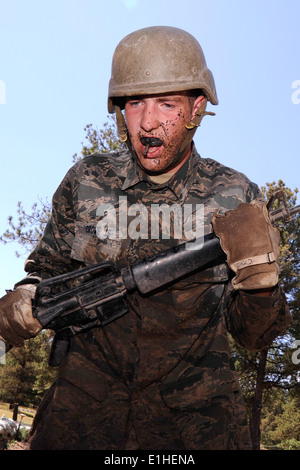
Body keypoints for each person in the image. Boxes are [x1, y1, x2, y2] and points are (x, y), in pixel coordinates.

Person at [0, 26, 291, 450]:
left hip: (196, 424)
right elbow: (46, 269)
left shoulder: (236, 198)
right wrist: (23, 298)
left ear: (196, 108)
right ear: (120, 111)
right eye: (135, 103)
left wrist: (260, 283)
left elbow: (254, 338)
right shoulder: (86, 180)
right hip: (82, 413)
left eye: (167, 104)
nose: (149, 122)